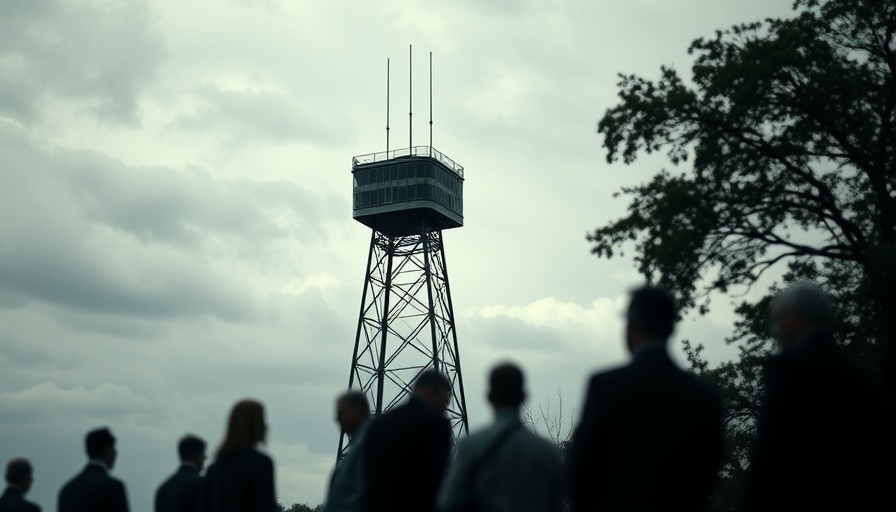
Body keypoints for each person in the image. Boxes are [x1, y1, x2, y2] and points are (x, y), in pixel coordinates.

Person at [567, 285, 723, 512]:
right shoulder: (706, 397)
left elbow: (580, 470)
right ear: (671, 327)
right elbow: (709, 477)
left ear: (631, 325)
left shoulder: (606, 386)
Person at [743, 283, 892, 511]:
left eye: (779, 319)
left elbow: (771, 454)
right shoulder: (865, 373)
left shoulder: (788, 370)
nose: (775, 329)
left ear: (798, 318)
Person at [438, 363, 563, 512]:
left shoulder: (470, 446)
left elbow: (449, 502)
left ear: (489, 397)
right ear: (524, 396)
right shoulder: (547, 451)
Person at [363, 370, 453, 512]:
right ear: (434, 392)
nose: (446, 404)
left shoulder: (378, 424)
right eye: (446, 398)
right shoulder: (436, 424)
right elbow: (439, 479)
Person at [198, 399, 277, 512]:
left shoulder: (213, 469)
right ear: (254, 425)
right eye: (262, 420)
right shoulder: (261, 463)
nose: (266, 425)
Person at [58, 427, 130, 512]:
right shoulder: (113, 487)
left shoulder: (67, 490)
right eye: (113, 448)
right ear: (108, 450)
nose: (116, 453)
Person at [324, 391, 372, 512]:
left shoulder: (370, 444)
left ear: (358, 411)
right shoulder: (358, 444)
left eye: (342, 413)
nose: (337, 419)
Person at [155, 435, 207, 512]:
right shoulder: (202, 484)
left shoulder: (163, 489)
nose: (205, 457)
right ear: (198, 455)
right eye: (203, 454)